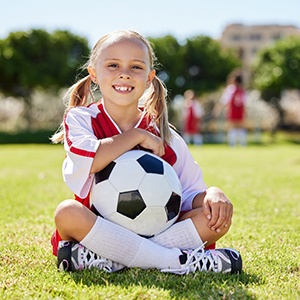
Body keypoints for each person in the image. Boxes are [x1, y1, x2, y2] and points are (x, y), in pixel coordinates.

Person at [51, 30, 242, 275]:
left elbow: (188, 194)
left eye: (136, 67)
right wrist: (137, 136)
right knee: (67, 214)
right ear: (94, 74)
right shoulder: (81, 119)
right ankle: (177, 261)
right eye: (113, 65)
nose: (124, 73)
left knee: (214, 220)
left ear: (150, 77)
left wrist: (212, 195)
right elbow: (92, 160)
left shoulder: (166, 136)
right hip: (97, 228)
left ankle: (112, 259)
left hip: (156, 229)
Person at [216, 71, 247, 146]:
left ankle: (232, 143)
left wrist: (218, 109)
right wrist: (245, 112)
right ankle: (243, 143)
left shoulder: (230, 89)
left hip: (232, 110)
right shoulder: (242, 90)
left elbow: (225, 101)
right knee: (240, 126)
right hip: (240, 111)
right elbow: (244, 102)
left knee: (232, 126)